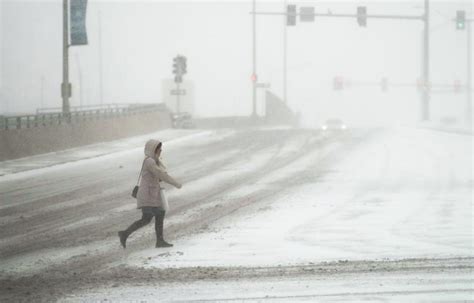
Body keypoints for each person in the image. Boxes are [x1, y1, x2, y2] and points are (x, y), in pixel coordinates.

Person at [118, 139, 182, 248]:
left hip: (151, 194)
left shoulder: (153, 161)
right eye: (158, 148)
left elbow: (157, 176)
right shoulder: (150, 161)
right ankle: (125, 233)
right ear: (153, 149)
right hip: (147, 194)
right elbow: (161, 174)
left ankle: (159, 241)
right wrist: (175, 183)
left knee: (157, 214)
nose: (160, 150)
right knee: (148, 217)